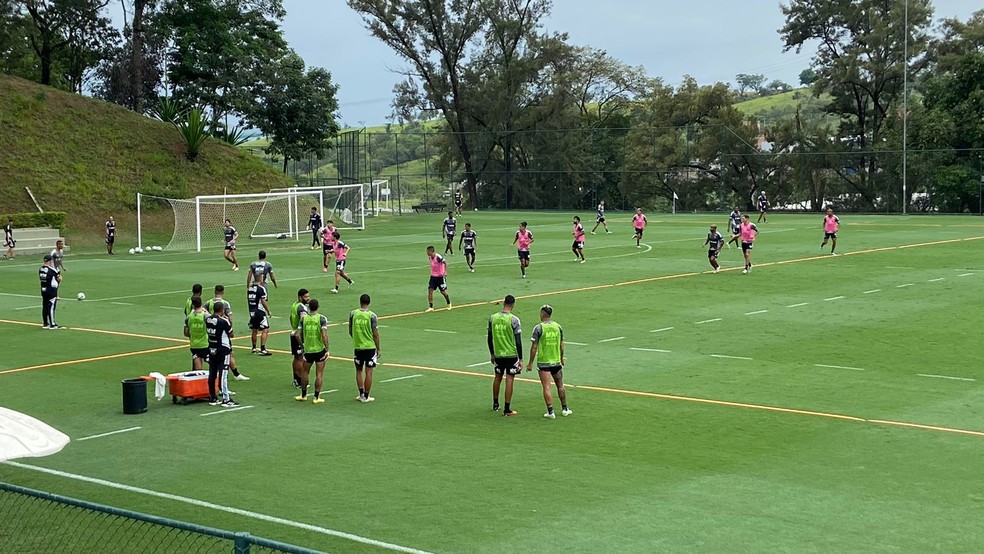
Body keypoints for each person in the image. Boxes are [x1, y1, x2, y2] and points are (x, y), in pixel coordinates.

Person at [526, 304, 571, 419]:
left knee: (546, 387)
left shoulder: (538, 328)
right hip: (556, 361)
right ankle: (565, 409)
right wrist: (561, 358)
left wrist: (530, 363)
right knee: (560, 385)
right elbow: (561, 345)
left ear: (542, 314)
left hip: (544, 362)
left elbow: (534, 347)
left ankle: (551, 412)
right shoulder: (558, 327)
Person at [488, 295, 525, 416]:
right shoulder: (514, 320)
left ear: (504, 303)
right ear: (513, 305)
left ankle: (495, 404)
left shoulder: (493, 318)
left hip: (498, 353)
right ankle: (507, 409)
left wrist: (492, 353)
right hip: (511, 354)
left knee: (497, 377)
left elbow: (489, 338)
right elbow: (518, 341)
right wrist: (521, 358)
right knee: (509, 380)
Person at [205, 285, 249, 381]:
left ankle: (233, 373)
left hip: (212, 332)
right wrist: (229, 327)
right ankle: (235, 374)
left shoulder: (209, 302)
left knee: (219, 353)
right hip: (223, 333)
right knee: (228, 353)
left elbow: (203, 312)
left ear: (214, 292)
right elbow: (230, 317)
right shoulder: (225, 303)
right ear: (223, 292)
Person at [292, 298, 329, 403]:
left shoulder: (304, 319)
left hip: (308, 350)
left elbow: (297, 334)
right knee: (319, 374)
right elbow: (324, 336)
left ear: (309, 307)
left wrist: (302, 346)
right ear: (318, 307)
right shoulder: (322, 318)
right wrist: (327, 349)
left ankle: (303, 395)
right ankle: (316, 397)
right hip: (319, 349)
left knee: (305, 372)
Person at [205, 300, 238, 407]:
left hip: (212, 349)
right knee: (223, 374)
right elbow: (231, 334)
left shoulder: (208, 319)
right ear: (222, 310)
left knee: (212, 373)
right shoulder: (224, 321)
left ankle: (212, 397)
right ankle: (226, 399)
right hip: (223, 350)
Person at [349, 293, 381, 403]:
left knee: (358, 371)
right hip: (370, 347)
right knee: (369, 372)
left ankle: (361, 393)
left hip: (357, 346)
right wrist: (378, 349)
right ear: (369, 302)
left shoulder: (353, 314)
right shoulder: (372, 316)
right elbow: (375, 334)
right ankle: (366, 396)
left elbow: (350, 330)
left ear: (360, 302)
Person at [289, 289, 310, 388]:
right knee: (301, 358)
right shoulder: (302, 308)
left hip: (293, 332)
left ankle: (295, 379)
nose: (308, 298)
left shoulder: (294, 305)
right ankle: (301, 380)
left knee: (296, 358)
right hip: (299, 335)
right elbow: (303, 319)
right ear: (300, 297)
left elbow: (290, 318)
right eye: (306, 297)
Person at [247, 279, 272, 356]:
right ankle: (263, 349)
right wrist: (268, 311)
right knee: (266, 329)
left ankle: (254, 348)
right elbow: (263, 301)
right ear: (260, 278)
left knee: (254, 329)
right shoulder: (261, 288)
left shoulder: (250, 288)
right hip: (260, 311)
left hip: (252, 311)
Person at [183, 296, 209, 371]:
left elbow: (186, 333)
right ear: (201, 303)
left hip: (194, 345)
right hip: (205, 344)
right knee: (213, 363)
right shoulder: (205, 316)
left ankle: (198, 380)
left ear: (193, 305)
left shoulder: (189, 317)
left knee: (198, 367)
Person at [39, 254, 63, 329]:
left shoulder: (41, 269)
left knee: (45, 306)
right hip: (51, 290)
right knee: (52, 306)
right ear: (50, 261)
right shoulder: (52, 270)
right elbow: (58, 279)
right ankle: (52, 324)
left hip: (43, 289)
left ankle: (45, 323)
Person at [425, 246, 451, 311]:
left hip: (440, 277)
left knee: (443, 292)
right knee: (430, 290)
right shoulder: (430, 257)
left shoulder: (438, 257)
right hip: (433, 277)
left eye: (428, 251)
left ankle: (449, 303)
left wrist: (445, 272)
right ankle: (431, 307)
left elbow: (445, 263)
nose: (427, 253)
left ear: (432, 251)